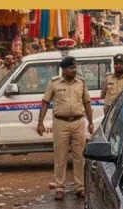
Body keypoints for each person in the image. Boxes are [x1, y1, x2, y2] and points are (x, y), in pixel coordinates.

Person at [36, 56, 94, 201]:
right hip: (60, 122)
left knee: (79, 156)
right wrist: (40, 122)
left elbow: (87, 102)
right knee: (60, 156)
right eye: (71, 68)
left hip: (78, 122)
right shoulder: (54, 83)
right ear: (63, 69)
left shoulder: (81, 82)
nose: (74, 70)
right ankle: (60, 187)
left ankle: (80, 187)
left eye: (75, 68)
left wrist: (91, 122)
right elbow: (45, 102)